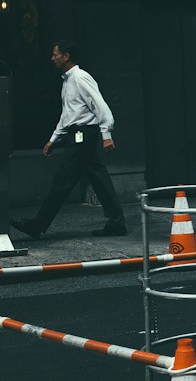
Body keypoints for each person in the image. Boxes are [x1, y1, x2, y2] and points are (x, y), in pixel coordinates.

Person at [11, 40, 128, 238]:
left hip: (84, 135)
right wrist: (54, 139)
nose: (52, 58)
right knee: (98, 179)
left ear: (66, 56)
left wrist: (106, 134)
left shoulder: (80, 78)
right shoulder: (67, 81)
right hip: (78, 134)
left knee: (63, 179)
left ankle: (38, 224)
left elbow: (101, 106)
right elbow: (68, 115)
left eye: (55, 54)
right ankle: (116, 222)